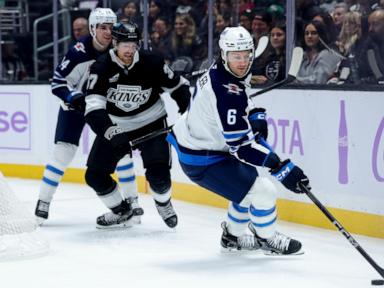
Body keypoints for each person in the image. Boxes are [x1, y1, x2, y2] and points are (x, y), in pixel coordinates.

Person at [167, 26, 311, 255]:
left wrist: (252, 112)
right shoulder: (226, 93)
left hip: (202, 144)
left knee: (247, 185)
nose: (242, 62)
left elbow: (240, 95)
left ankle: (232, 237)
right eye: (236, 56)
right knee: (264, 191)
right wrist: (281, 167)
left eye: (246, 55)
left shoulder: (223, 70)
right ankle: (267, 239)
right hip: (202, 159)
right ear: (224, 55)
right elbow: (242, 147)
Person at [35, 8, 143, 225]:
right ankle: (42, 203)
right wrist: (73, 97)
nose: (107, 32)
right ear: (92, 28)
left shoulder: (119, 50)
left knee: (120, 151)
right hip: (76, 107)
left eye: (111, 27)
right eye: (102, 27)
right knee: (63, 153)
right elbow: (57, 83)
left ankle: (133, 203)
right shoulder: (78, 52)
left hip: (103, 109)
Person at [84, 21, 191, 229]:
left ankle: (164, 203)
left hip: (151, 122)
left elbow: (178, 88)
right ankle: (122, 211)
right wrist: (112, 132)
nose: (130, 50)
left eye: (134, 45)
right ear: (114, 43)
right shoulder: (101, 67)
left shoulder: (152, 62)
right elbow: (93, 108)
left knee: (159, 176)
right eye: (125, 45)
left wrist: (188, 112)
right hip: (117, 125)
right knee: (94, 176)